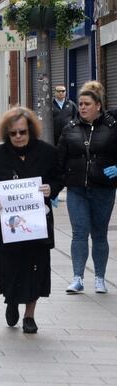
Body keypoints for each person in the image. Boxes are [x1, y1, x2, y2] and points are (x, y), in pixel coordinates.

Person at [0, 107, 63, 334]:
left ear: (31, 131)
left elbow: (59, 177)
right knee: (9, 266)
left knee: (35, 268)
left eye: (22, 132)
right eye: (13, 133)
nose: (18, 137)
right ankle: (12, 301)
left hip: (37, 224)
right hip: (8, 225)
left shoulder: (47, 152)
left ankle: (29, 316)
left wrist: (51, 189)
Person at [57, 81, 117, 294]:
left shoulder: (112, 128)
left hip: (104, 189)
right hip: (77, 190)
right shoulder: (70, 128)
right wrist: (53, 190)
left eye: (87, 104)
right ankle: (78, 277)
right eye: (80, 103)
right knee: (79, 232)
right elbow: (59, 160)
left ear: (98, 105)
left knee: (99, 233)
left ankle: (100, 278)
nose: (82, 107)